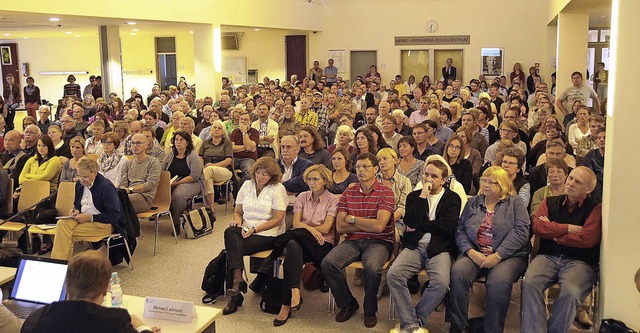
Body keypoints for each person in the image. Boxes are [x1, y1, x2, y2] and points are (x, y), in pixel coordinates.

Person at [447, 166, 530, 333]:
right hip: (475, 253)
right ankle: (458, 326)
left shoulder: (515, 203)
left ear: (503, 185)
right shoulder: (473, 202)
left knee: (498, 281)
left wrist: (498, 255)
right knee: (458, 272)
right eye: (484, 180)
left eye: (492, 182)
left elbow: (522, 231)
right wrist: (470, 252)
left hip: (508, 256)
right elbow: (460, 229)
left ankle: (492, 329)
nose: (486, 184)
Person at [257, 165, 339, 326]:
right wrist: (308, 230)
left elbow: (326, 228)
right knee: (293, 246)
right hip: (301, 243)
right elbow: (295, 223)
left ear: (325, 180)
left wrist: (305, 229)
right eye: (309, 179)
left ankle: (274, 253)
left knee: (294, 237)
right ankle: (291, 296)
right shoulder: (302, 196)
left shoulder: (333, 200)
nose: (311, 182)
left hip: (322, 245)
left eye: (316, 179)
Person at [522, 167, 601, 333]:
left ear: (589, 189)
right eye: (570, 178)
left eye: (577, 182)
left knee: (570, 292)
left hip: (581, 262)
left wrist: (556, 234)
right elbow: (538, 227)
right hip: (548, 256)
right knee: (529, 283)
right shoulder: (549, 202)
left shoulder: (595, 209)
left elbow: (587, 239)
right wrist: (570, 228)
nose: (570, 183)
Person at [321, 153, 395, 328]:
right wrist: (367, 223)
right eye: (358, 167)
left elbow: (379, 227)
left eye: (366, 166)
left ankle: (370, 310)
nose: (361, 170)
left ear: (376, 169)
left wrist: (352, 219)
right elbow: (340, 226)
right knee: (328, 263)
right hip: (353, 241)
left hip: (379, 241)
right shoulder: (349, 191)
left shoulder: (386, 192)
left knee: (372, 267)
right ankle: (348, 304)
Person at [388, 160, 461, 333]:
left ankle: (415, 320)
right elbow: (411, 221)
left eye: (434, 176)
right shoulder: (415, 196)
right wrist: (423, 196)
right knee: (394, 274)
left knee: (441, 283)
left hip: (439, 248)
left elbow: (447, 228)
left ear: (443, 180)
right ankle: (413, 325)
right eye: (426, 174)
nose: (428, 179)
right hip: (414, 245)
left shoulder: (452, 198)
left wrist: (423, 223)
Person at [23, 251, 157, 332]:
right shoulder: (116, 322)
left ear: (66, 286)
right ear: (105, 290)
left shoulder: (35, 319)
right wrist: (141, 326)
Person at [223, 156, 288, 315]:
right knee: (230, 231)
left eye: (265, 174)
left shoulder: (278, 188)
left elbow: (278, 219)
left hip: (268, 234)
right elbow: (238, 212)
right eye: (258, 173)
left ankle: (236, 293)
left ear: (272, 176)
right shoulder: (246, 185)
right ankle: (238, 281)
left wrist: (255, 230)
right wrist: (237, 222)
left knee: (232, 249)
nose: (261, 177)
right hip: (246, 231)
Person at [162, 130, 203, 234]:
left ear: (187, 142)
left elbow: (194, 176)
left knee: (178, 195)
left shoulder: (193, 156)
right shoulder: (170, 155)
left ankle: (176, 222)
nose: (178, 142)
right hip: (172, 181)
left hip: (191, 183)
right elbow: (162, 171)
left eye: (181, 140)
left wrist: (176, 183)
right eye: (176, 139)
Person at [120, 133, 161, 213]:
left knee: (120, 201)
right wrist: (124, 190)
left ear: (146, 145)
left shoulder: (153, 162)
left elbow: (151, 184)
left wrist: (130, 190)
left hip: (145, 198)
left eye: (138, 143)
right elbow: (123, 183)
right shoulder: (128, 163)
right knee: (110, 198)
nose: (135, 146)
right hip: (128, 195)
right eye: (133, 143)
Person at [200, 120, 233, 208]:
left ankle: (207, 206)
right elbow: (200, 157)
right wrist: (202, 166)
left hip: (224, 170)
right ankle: (211, 208)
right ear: (211, 130)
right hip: (207, 170)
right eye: (214, 127)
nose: (216, 130)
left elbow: (228, 161)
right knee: (208, 179)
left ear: (223, 131)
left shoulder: (227, 143)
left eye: (219, 128)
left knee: (207, 171)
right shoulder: (206, 142)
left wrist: (213, 165)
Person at [230, 111, 259, 187]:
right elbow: (231, 148)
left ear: (250, 121)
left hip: (248, 158)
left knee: (249, 172)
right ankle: (237, 185)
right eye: (241, 119)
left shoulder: (254, 132)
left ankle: (243, 192)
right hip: (235, 157)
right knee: (228, 170)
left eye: (245, 119)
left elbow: (250, 146)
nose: (243, 121)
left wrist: (244, 132)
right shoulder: (234, 132)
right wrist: (245, 147)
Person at [581, 126, 605, 203]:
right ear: (596, 141)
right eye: (599, 138)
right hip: (595, 186)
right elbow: (587, 174)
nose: (602, 140)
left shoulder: (615, 156)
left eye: (604, 138)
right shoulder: (590, 155)